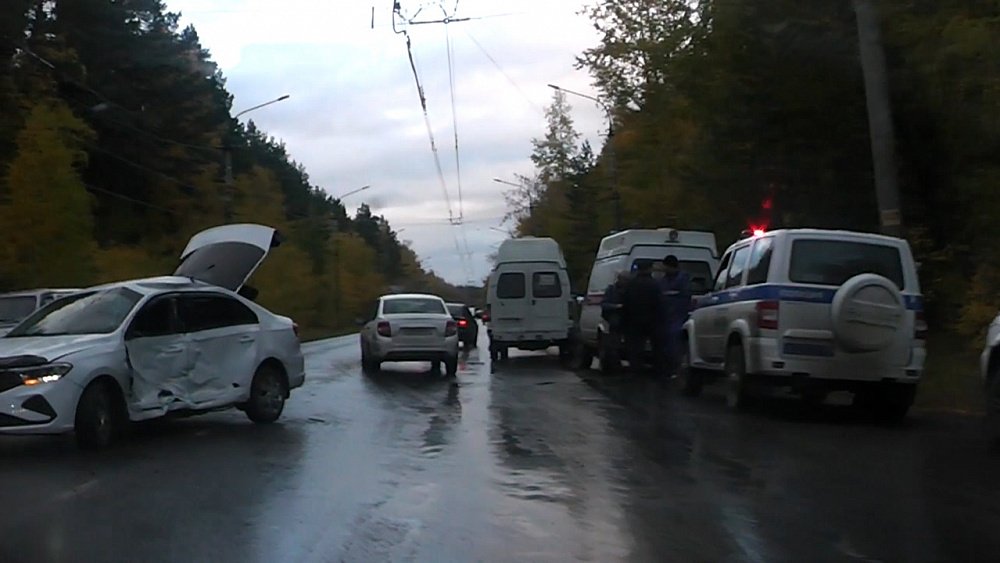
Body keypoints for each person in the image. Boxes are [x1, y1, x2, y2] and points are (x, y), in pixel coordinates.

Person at [622, 261, 665, 375]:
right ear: (649, 269)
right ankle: (658, 370)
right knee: (657, 347)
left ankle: (635, 370)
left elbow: (625, 303)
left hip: (634, 320)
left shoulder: (631, 284)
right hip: (652, 321)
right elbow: (660, 303)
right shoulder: (655, 284)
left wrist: (625, 320)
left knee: (635, 348)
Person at [658, 255, 692, 376]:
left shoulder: (682, 279)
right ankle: (670, 369)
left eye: (665, 267)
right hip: (667, 318)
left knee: (676, 345)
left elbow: (685, 297)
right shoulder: (664, 280)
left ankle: (677, 369)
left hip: (678, 317)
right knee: (667, 346)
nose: (664, 269)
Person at [601, 271, 630, 349]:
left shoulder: (630, 290)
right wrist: (616, 306)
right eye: (625, 279)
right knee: (614, 343)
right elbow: (604, 304)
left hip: (628, 321)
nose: (626, 282)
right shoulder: (611, 290)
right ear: (619, 279)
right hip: (615, 320)